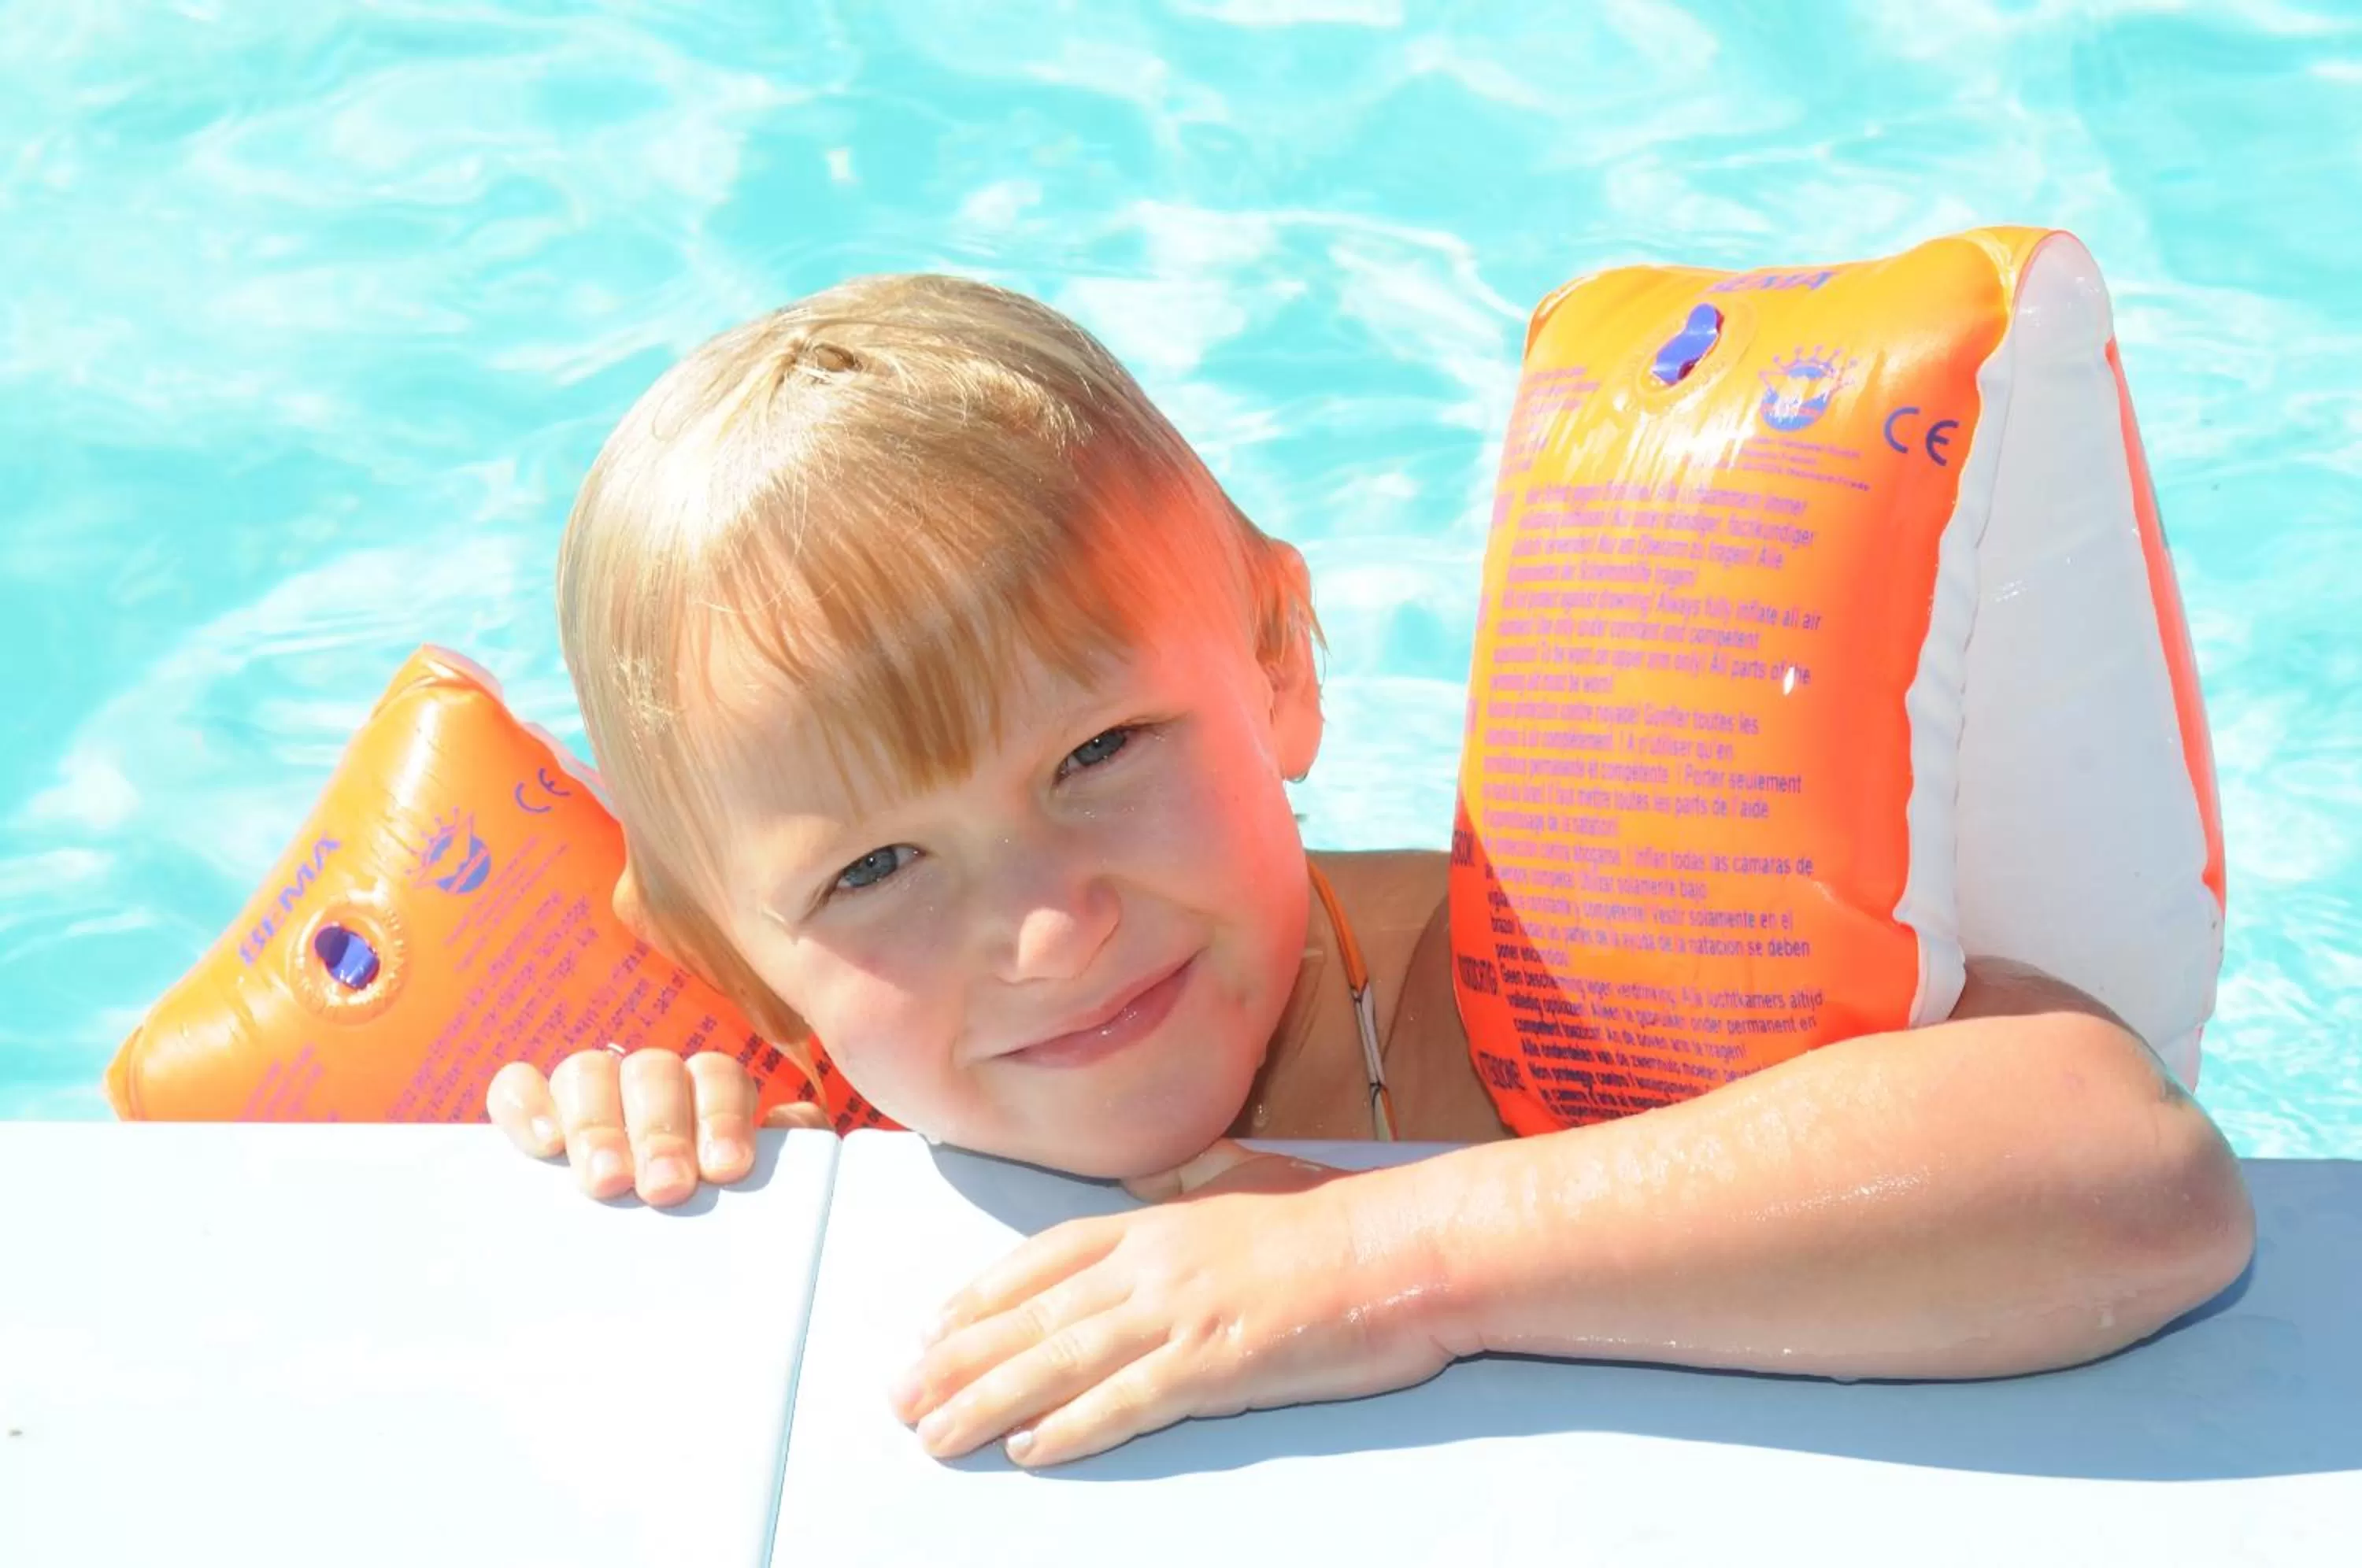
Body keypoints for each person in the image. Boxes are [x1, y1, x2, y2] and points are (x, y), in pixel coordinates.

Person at [485, 272, 2255, 1470]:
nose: (1049, 930)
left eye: (1099, 754)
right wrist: (661, 1142)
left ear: (1278, 666)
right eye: (874, 866)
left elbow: (2134, 1174)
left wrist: (1380, 1257)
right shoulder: (817, 1122)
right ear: (724, 950)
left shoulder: (1525, 999)